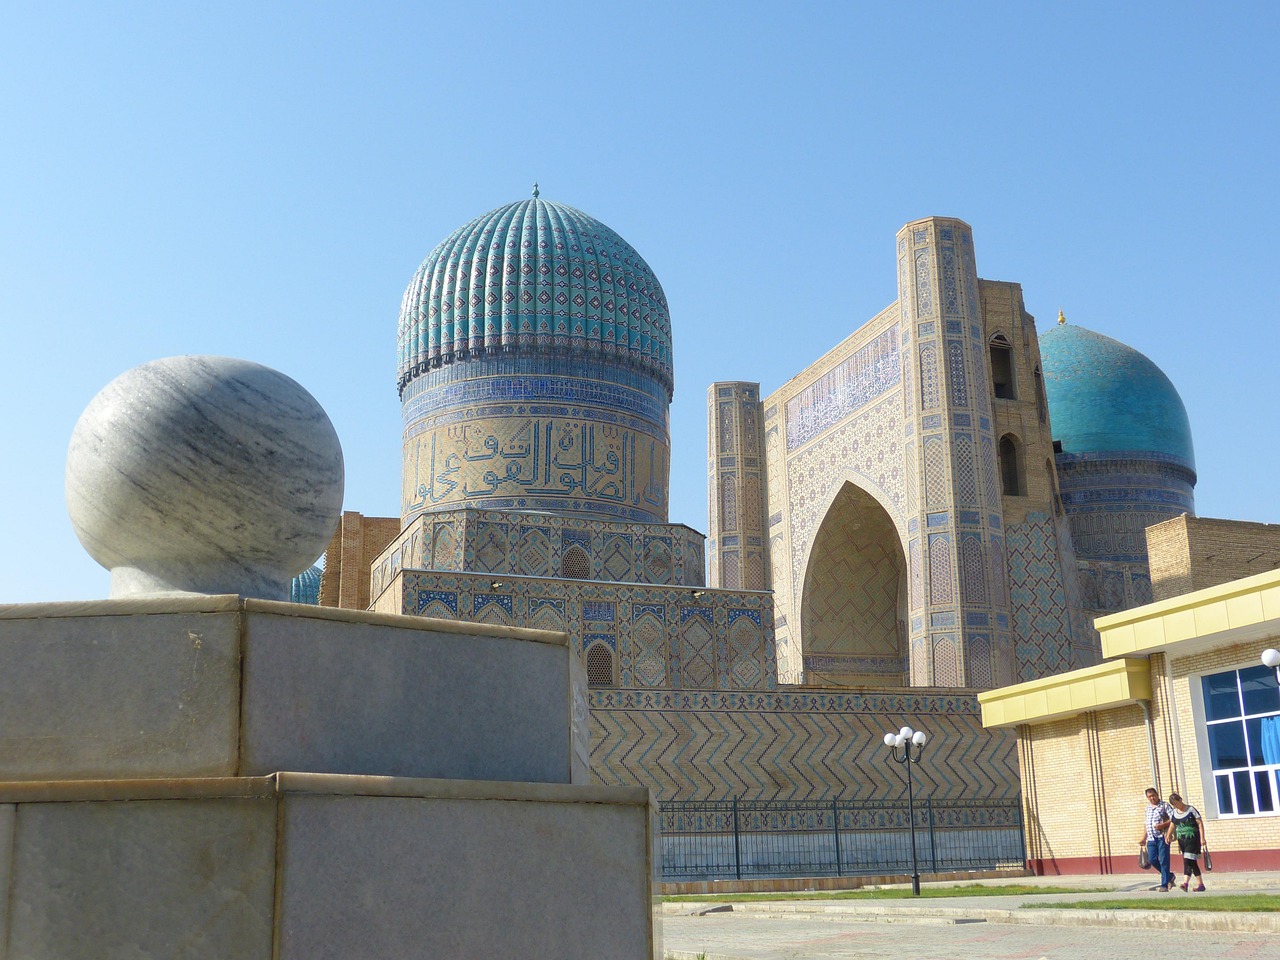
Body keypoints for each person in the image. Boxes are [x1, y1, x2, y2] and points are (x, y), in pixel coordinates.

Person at [1165, 792, 1207, 891]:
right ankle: (1200, 885)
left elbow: (1200, 823)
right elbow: (1173, 823)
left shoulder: (1191, 810)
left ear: (1180, 800)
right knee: (1191, 861)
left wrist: (1202, 838)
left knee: (1188, 860)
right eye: (1174, 805)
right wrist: (1168, 835)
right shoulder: (1175, 812)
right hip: (1182, 841)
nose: (1176, 806)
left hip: (1192, 838)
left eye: (1176, 803)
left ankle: (1185, 883)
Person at [1139, 787, 1175, 891]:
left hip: (1162, 837)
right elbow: (1146, 824)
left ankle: (1164, 884)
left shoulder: (1164, 806)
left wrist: (1162, 825)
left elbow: (1173, 819)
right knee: (1152, 859)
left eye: (1153, 795)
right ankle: (1169, 876)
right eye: (1149, 796)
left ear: (1157, 795)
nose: (1152, 798)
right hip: (1151, 838)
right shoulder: (1148, 808)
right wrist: (1143, 838)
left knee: (1164, 860)